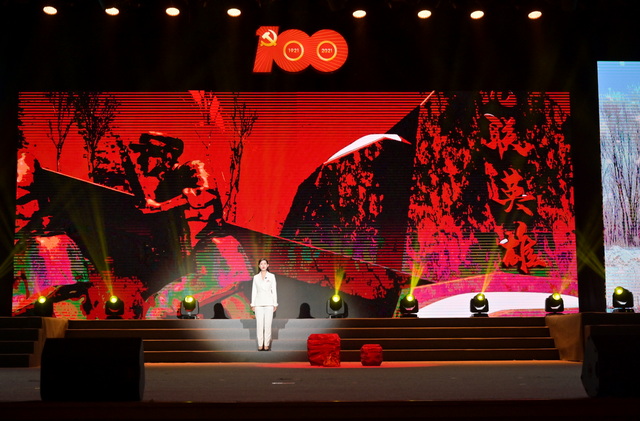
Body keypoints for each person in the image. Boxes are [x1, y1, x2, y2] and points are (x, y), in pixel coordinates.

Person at [251, 259, 278, 351]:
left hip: (269, 303)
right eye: (261, 264)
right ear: (259, 266)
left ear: (267, 265)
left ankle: (266, 344)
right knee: (259, 325)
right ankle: (260, 344)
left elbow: (274, 290)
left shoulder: (271, 276)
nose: (263, 265)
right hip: (258, 303)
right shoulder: (256, 277)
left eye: (265, 264)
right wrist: (253, 304)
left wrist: (275, 303)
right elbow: (254, 291)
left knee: (268, 325)